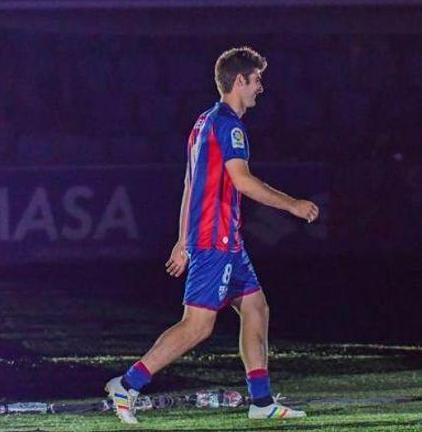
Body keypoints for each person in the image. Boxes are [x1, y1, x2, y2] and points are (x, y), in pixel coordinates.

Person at [105, 46, 319, 424]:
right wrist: (294, 205)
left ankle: (262, 401)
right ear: (240, 81)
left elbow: (190, 184)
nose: (260, 88)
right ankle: (128, 384)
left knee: (256, 308)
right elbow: (242, 181)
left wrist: (181, 239)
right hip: (216, 238)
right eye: (256, 81)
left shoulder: (203, 122)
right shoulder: (230, 125)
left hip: (224, 240)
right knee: (198, 325)